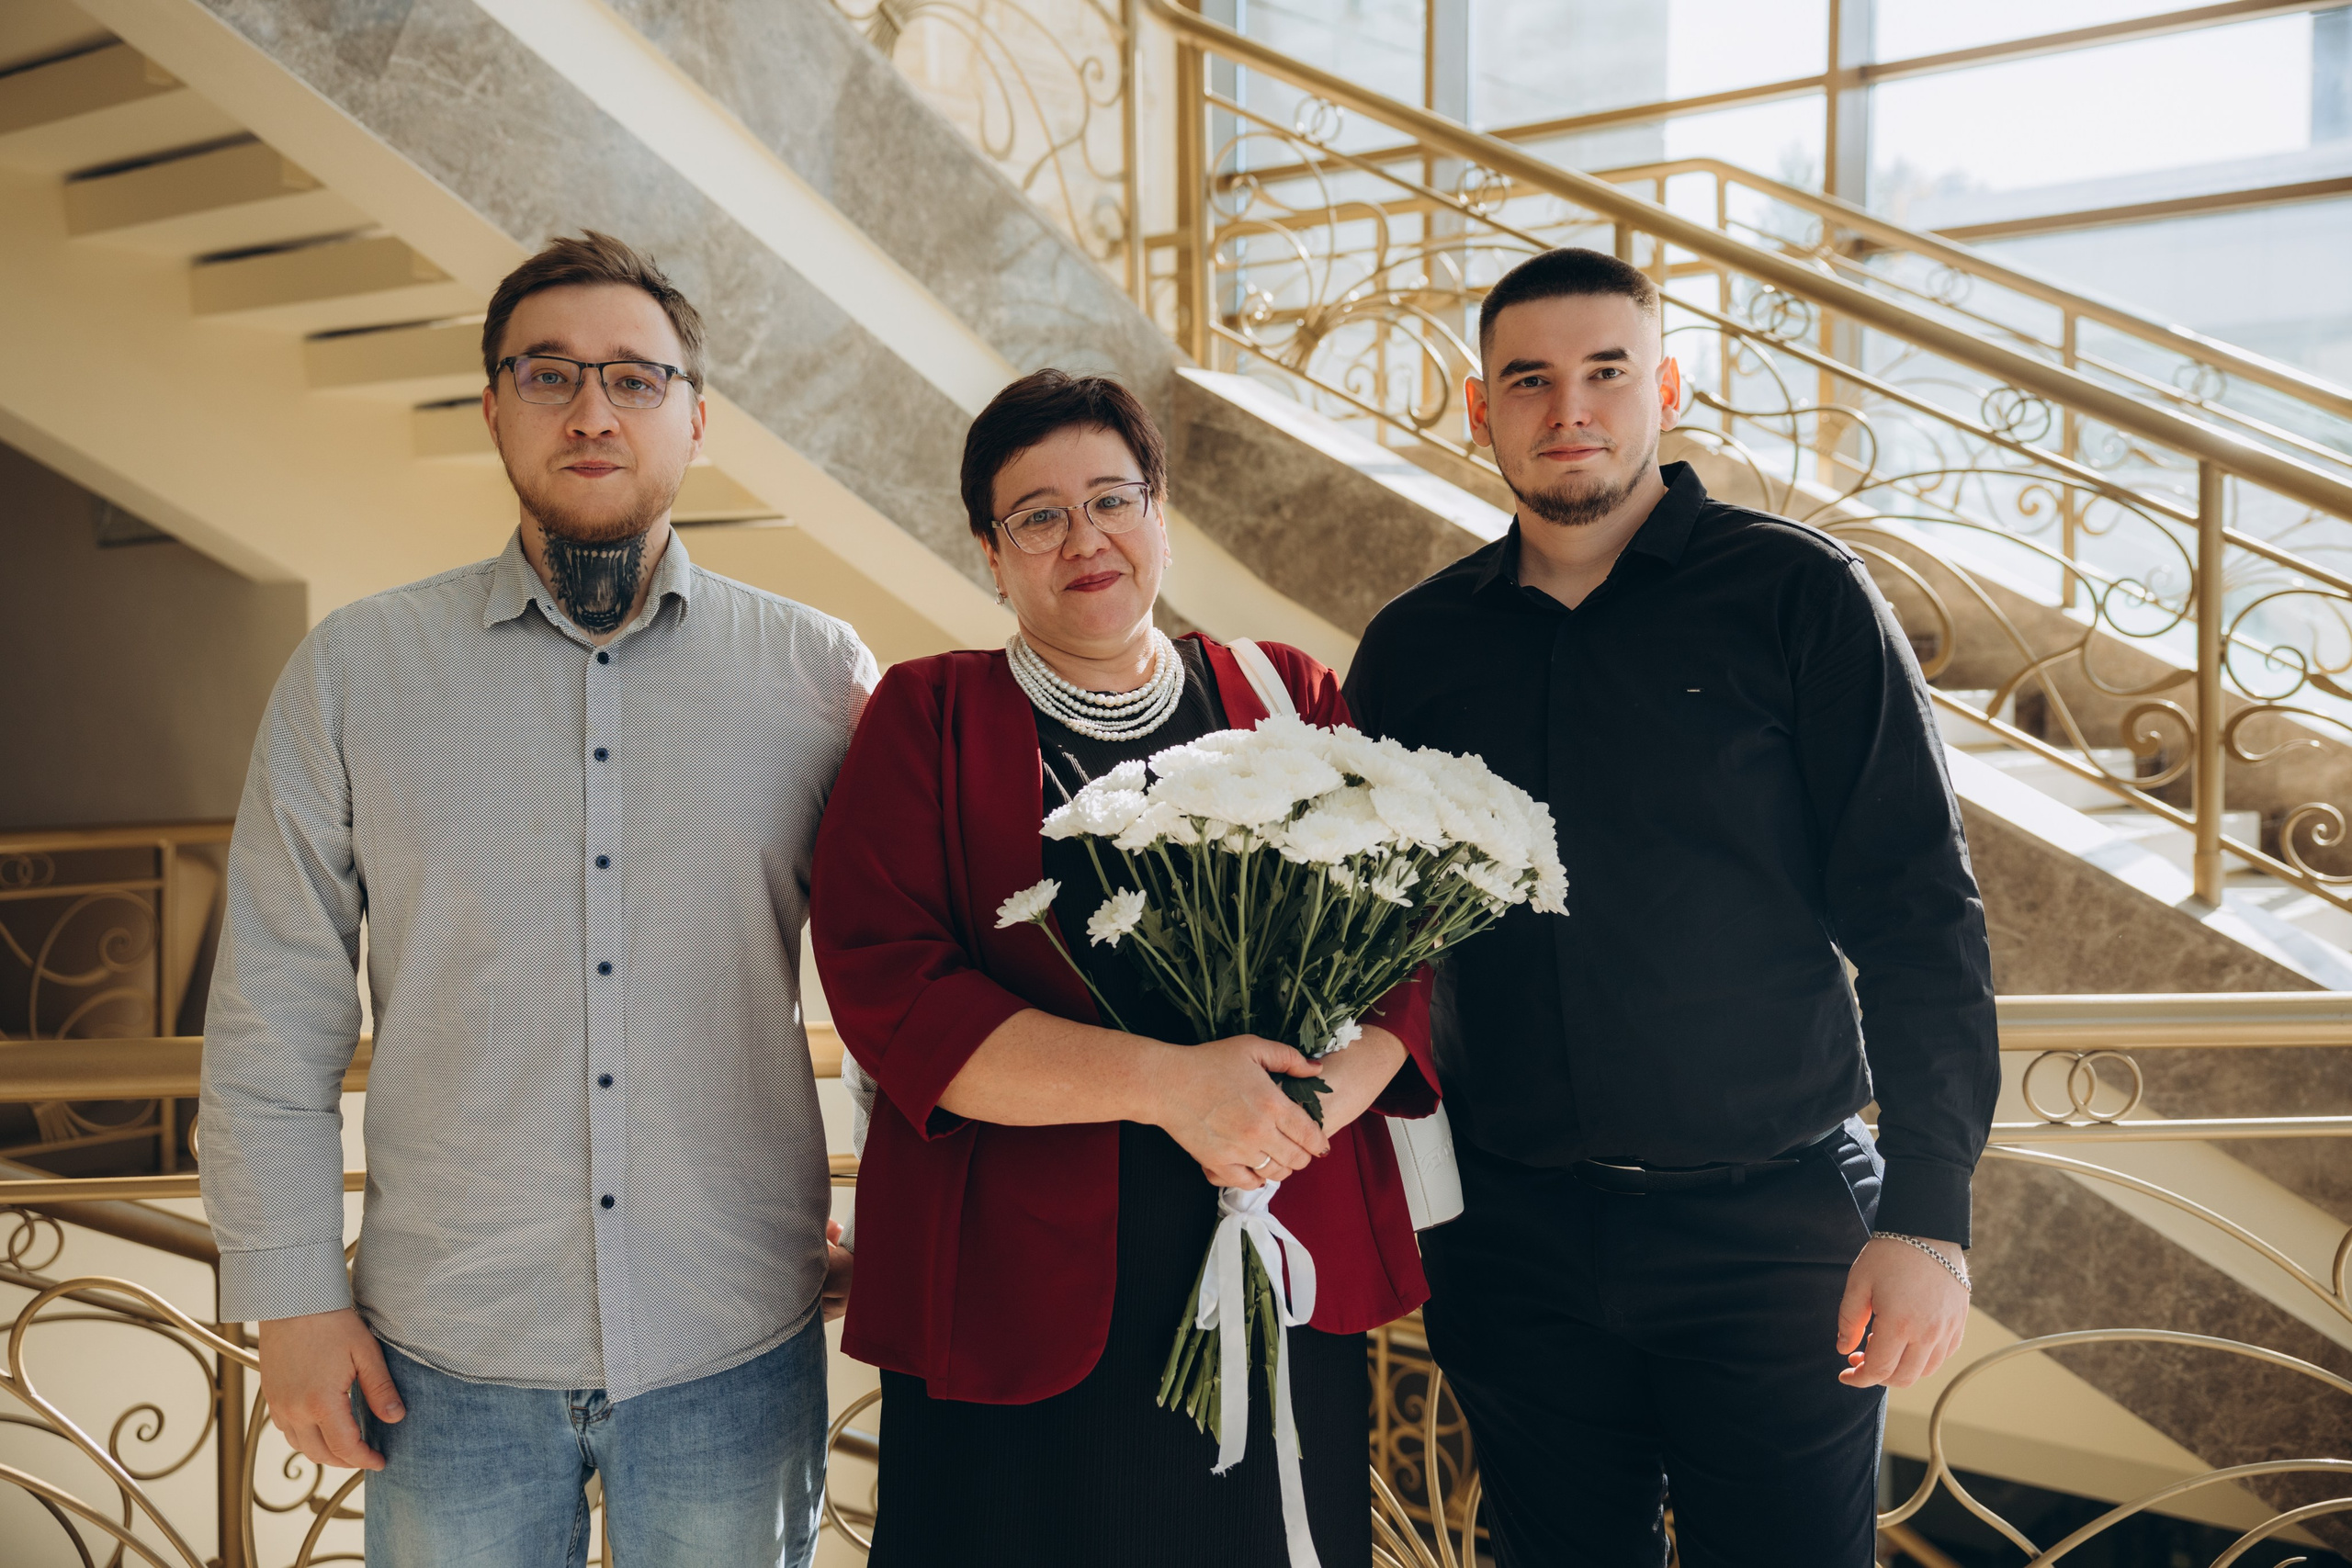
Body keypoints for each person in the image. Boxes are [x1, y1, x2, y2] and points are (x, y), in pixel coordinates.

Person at [198, 232, 870, 1568]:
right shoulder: (353, 675)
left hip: (733, 1335)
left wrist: (904, 1225)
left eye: (635, 377)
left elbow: (903, 983)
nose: (592, 410)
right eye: (550, 374)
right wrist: (288, 1298)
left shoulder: (817, 676)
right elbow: (272, 1008)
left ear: (695, 416)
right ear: (492, 406)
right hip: (440, 1355)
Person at [1342, 247, 1998, 1567]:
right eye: (1528, 379)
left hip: (1776, 1236)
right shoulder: (1416, 650)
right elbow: (1370, 946)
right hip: (1513, 1237)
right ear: (1480, 410)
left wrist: (1929, 1215)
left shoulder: (1798, 595)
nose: (1568, 409)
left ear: (1669, 389)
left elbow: (1920, 912)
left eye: (1606, 372)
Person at [808, 369, 1439, 1568]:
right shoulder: (926, 719)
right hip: (1014, 1287)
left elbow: (1406, 957)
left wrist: (1294, 1115)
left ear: (1160, 513)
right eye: (1038, 515)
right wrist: (1175, 1087)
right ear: (993, 554)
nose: (1083, 537)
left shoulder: (1287, 697)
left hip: (1264, 1249)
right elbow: (895, 995)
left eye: (1113, 498)